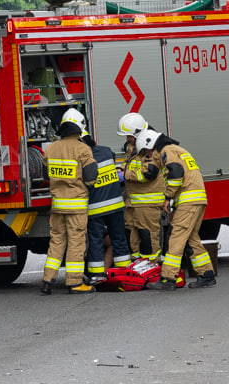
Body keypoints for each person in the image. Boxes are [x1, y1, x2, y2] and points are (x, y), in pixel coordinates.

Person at [134, 129, 216, 290]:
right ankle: (206, 274)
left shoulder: (167, 151)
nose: (148, 156)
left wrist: (167, 196)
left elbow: (176, 173)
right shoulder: (177, 150)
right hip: (195, 200)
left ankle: (167, 278)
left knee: (176, 238)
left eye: (147, 152)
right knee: (191, 239)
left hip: (188, 201)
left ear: (151, 144)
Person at [41, 109, 98, 295]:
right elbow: (91, 179)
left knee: (56, 241)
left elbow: (45, 175)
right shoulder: (83, 149)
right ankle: (74, 282)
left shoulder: (51, 148)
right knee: (76, 243)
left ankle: (47, 280)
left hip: (57, 206)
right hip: (76, 206)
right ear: (80, 127)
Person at [82, 130, 130, 284]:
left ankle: (97, 276)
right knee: (119, 238)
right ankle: (124, 272)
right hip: (115, 204)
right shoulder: (106, 151)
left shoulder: (83, 158)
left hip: (95, 208)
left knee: (95, 241)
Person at [116, 113, 164, 262]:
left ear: (138, 133)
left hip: (147, 203)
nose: (127, 139)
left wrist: (125, 175)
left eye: (129, 136)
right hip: (133, 202)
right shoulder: (133, 146)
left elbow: (148, 174)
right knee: (131, 236)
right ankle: (138, 266)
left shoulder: (152, 147)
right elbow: (130, 164)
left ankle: (152, 266)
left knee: (148, 237)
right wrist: (120, 169)